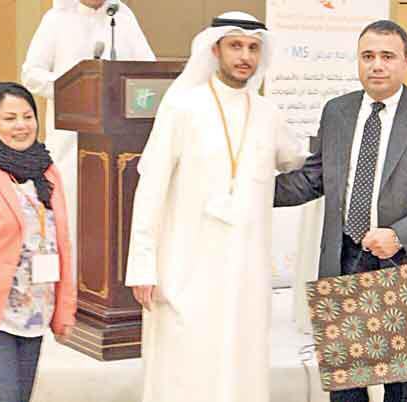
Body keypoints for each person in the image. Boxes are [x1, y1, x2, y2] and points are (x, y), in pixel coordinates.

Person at [274, 20, 407, 402]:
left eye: (387, 56)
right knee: (346, 389)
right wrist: (251, 190)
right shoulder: (337, 112)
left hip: (404, 262)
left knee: (403, 389)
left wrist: (399, 235)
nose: (377, 65)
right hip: (344, 259)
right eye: (367, 56)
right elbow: (314, 179)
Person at [124, 11, 305, 402]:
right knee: (184, 365)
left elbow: (299, 162)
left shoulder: (268, 114)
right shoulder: (182, 107)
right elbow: (151, 187)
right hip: (185, 266)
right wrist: (142, 263)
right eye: (236, 46)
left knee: (239, 365)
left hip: (245, 273)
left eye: (253, 48)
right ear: (215, 49)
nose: (245, 57)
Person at [22, 0, 156, 273]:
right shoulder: (56, 19)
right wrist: (76, 86)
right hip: (70, 141)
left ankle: (107, 285)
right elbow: (31, 75)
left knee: (113, 217)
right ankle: (70, 286)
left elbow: (148, 71)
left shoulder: (122, 16)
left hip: (119, 143)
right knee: (72, 215)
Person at [0, 82, 76, 402]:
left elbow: (62, 244)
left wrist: (64, 309)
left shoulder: (46, 171)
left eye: (28, 117)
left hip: (34, 316)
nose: (21, 126)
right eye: (10, 118)